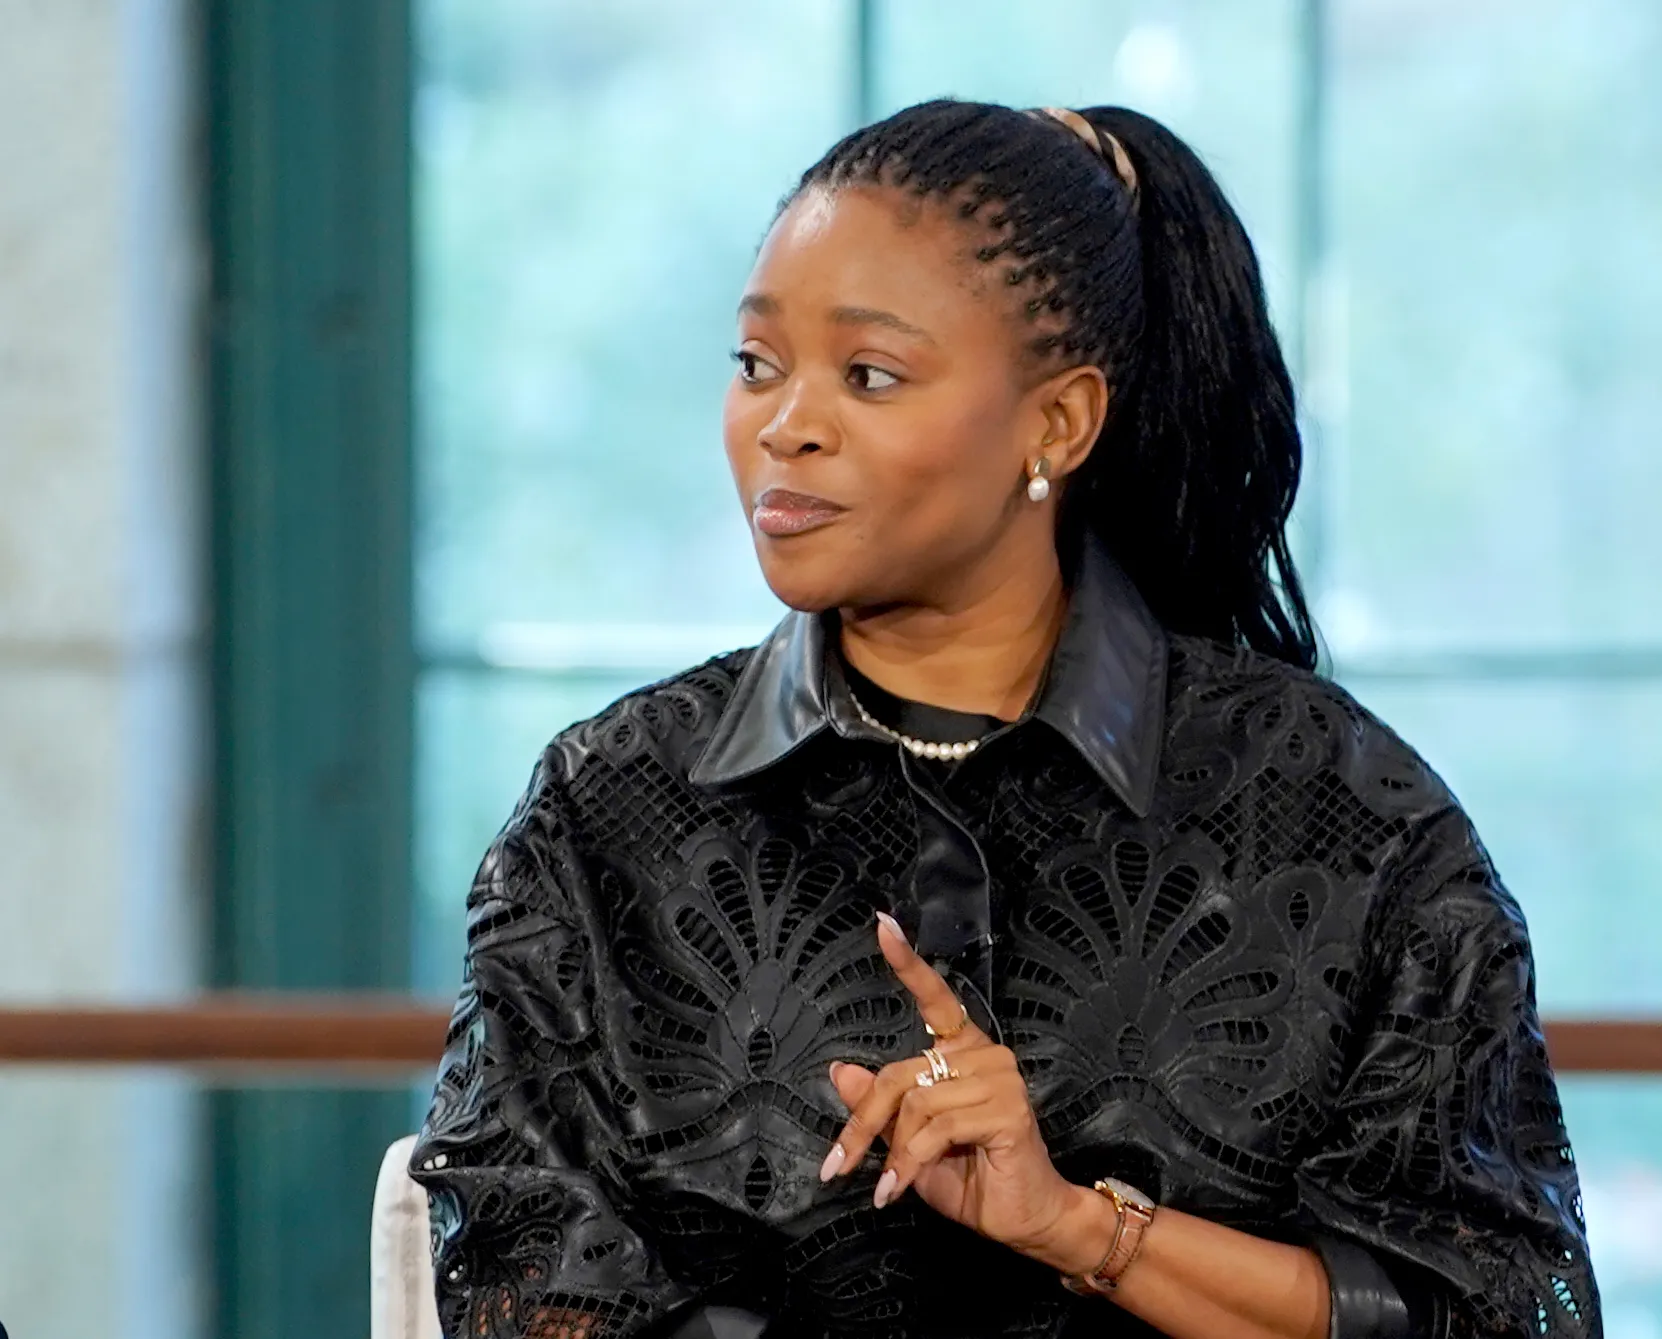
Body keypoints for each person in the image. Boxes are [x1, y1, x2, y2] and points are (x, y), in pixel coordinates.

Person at [410, 99, 1601, 1339]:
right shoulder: (606, 813)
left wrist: (1076, 1226)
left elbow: (1505, 1313)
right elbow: (520, 1290)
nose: (785, 424)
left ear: (1058, 422)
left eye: (868, 375)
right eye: (757, 364)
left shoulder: (1345, 815)